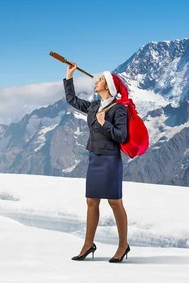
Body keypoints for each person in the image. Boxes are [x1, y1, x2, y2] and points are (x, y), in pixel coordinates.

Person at [64, 62, 131, 263]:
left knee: (115, 202)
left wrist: (104, 123)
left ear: (109, 86)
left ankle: (122, 245)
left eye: (100, 79)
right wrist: (69, 77)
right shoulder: (94, 106)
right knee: (91, 201)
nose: (97, 81)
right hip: (95, 158)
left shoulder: (118, 110)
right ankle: (88, 244)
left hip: (110, 159)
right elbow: (72, 100)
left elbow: (122, 136)